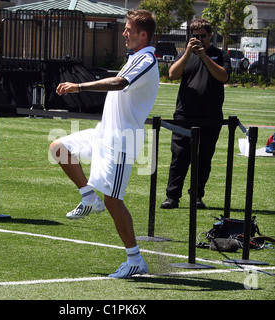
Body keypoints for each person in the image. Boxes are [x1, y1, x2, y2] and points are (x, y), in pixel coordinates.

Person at [50, 9, 159, 278]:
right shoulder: (136, 57)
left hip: (122, 141)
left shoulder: (146, 58)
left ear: (143, 35)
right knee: (58, 148)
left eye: (129, 30)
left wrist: (79, 86)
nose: (124, 33)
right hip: (103, 133)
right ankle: (89, 197)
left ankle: (135, 259)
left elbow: (120, 83)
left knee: (114, 201)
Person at [160, 18, 231, 210]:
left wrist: (203, 56)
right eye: (195, 36)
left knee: (203, 157)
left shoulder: (220, 54)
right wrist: (189, 53)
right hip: (185, 114)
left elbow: (223, 76)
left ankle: (197, 196)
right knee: (179, 156)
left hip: (210, 115)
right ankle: (172, 196)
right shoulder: (184, 54)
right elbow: (173, 75)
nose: (199, 39)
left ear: (210, 36)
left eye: (203, 36)